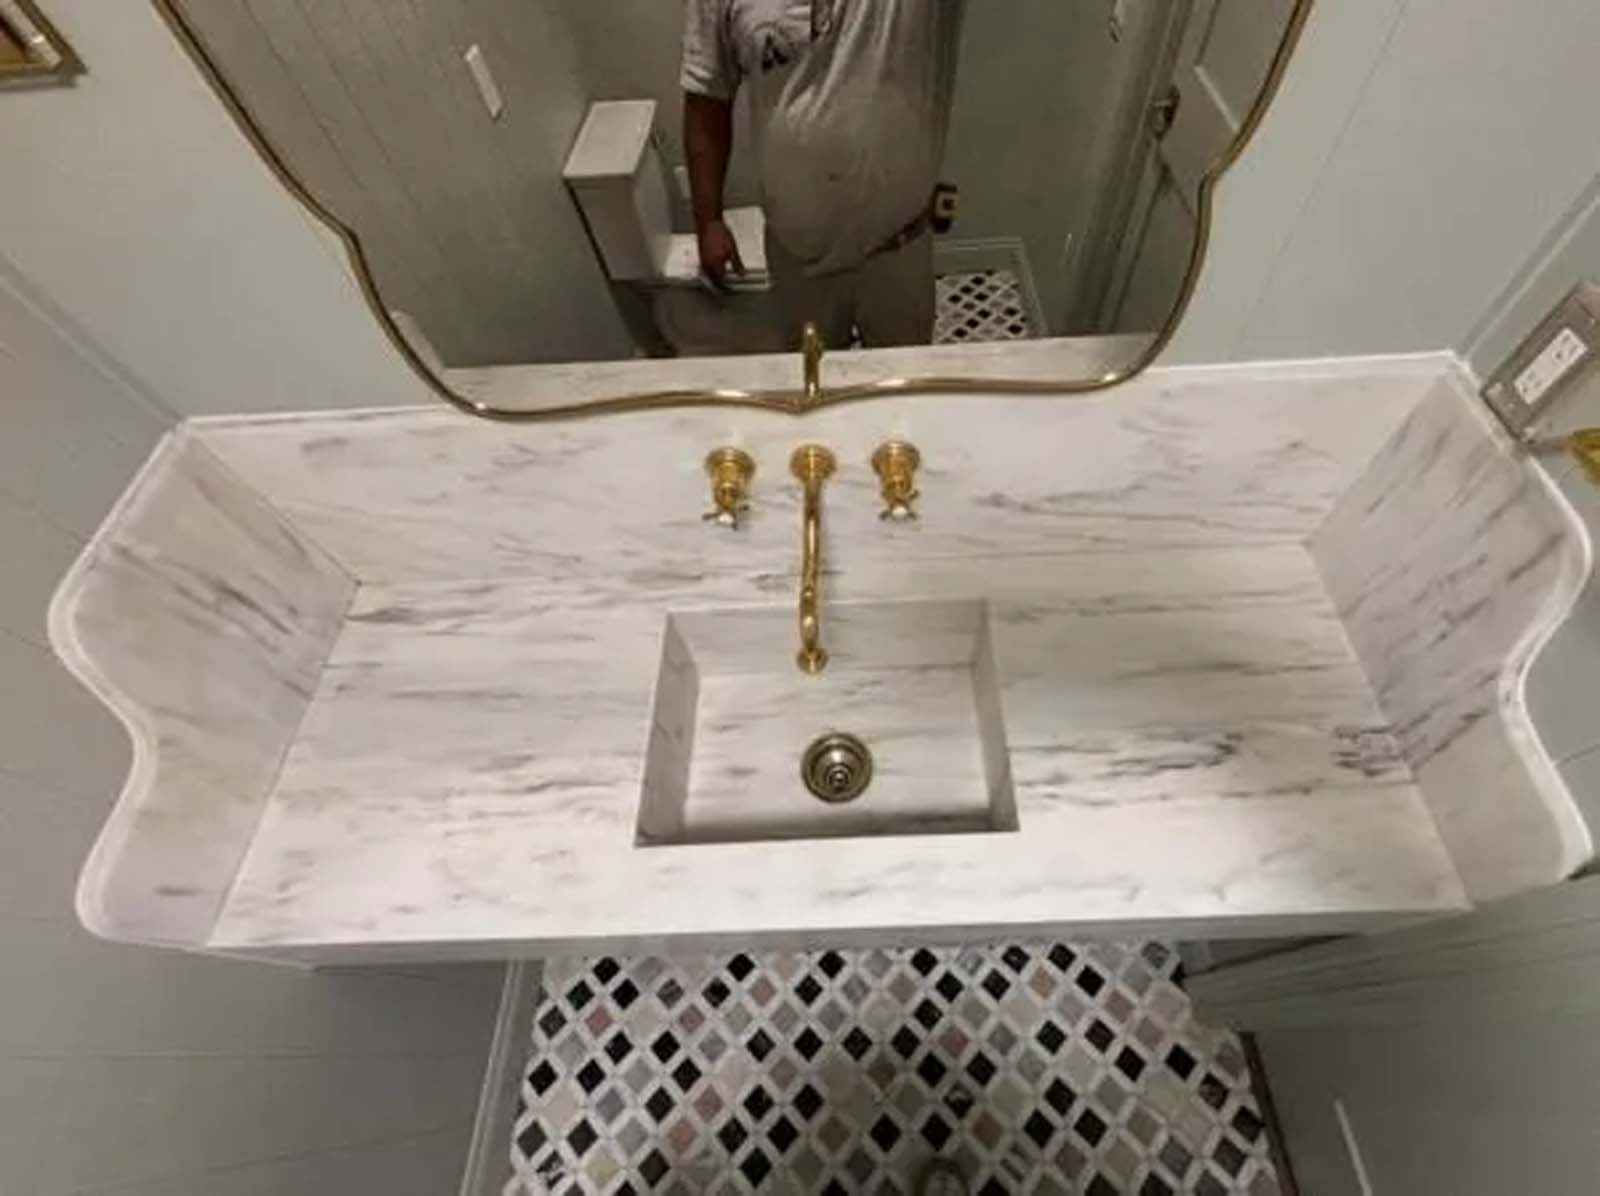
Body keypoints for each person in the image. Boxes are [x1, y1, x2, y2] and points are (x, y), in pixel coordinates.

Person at [681, 0, 964, 350]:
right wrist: (708, 221)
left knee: (902, 394)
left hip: (897, 245)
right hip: (797, 253)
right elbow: (707, 96)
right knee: (813, 390)